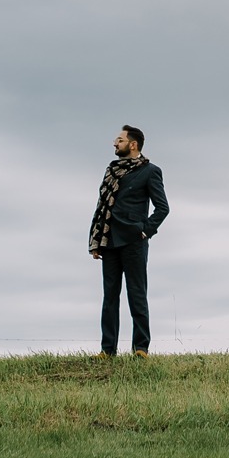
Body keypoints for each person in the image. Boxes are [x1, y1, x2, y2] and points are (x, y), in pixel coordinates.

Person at [89, 124, 169, 356]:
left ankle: (140, 348)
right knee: (109, 297)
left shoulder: (150, 171)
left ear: (133, 145)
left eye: (120, 140)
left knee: (137, 294)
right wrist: (96, 240)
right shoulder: (111, 171)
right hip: (109, 242)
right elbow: (101, 207)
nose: (115, 143)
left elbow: (163, 208)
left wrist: (144, 231)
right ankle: (107, 351)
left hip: (134, 242)